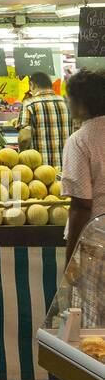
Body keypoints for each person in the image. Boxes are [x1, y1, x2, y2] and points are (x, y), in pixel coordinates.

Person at [60, 71, 105, 261]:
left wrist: (71, 259)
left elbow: (81, 205)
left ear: (80, 104)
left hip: (97, 242)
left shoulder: (80, 140)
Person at [17, 71, 70, 170]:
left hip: (41, 172)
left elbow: (24, 138)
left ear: (32, 85)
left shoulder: (29, 104)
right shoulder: (68, 103)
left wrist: (22, 158)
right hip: (67, 168)